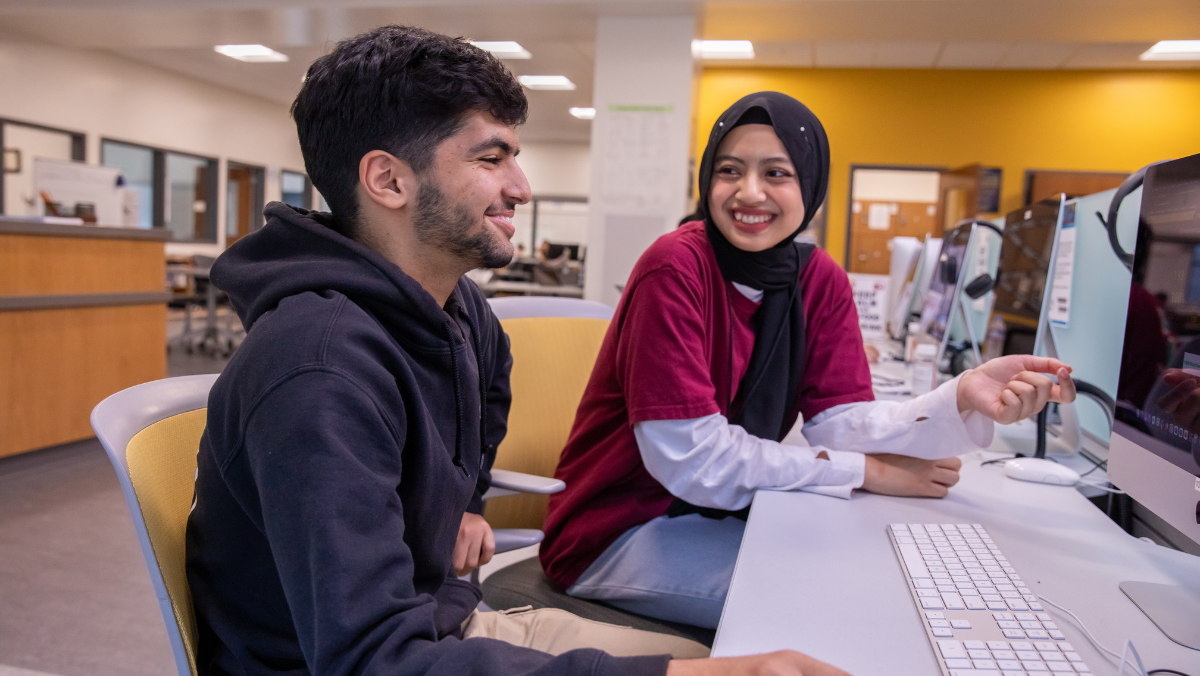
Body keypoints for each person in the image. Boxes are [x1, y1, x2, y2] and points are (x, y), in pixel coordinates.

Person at [186, 26, 852, 676]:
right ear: (388, 181)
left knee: (745, 653)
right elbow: (372, 658)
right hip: (381, 657)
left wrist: (467, 503)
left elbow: (488, 396)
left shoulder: (459, 310)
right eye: (490, 158)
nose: (521, 187)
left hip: (449, 625)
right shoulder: (319, 372)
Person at [539, 92, 1077, 630]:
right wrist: (867, 472)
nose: (749, 192)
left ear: (811, 187)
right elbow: (696, 458)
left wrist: (960, 396)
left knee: (867, 571)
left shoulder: (819, 279)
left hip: (710, 510)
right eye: (729, 170)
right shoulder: (674, 268)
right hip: (616, 530)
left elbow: (841, 422)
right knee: (833, 606)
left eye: (777, 173)